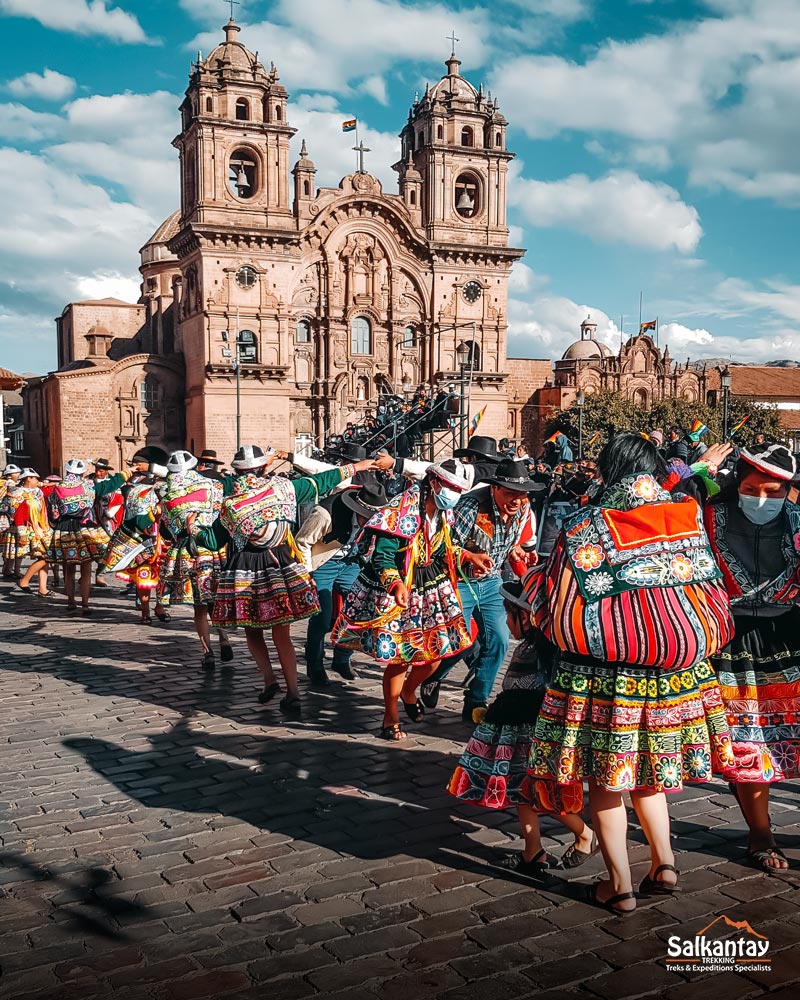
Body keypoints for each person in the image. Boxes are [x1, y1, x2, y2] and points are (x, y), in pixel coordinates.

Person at [526, 433, 736, 914]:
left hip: (602, 678)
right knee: (648, 776)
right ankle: (665, 864)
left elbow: (554, 599)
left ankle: (619, 886)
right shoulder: (684, 517)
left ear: (608, 471)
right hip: (672, 675)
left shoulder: (585, 525)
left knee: (605, 781)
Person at [211, 445, 377, 714]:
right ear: (265, 468)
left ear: (237, 471)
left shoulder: (230, 504)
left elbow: (213, 538)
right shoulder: (283, 488)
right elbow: (322, 480)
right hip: (280, 562)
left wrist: (191, 532)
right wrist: (358, 467)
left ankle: (268, 680)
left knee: (253, 629)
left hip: (246, 565)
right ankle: (293, 691)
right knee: (282, 632)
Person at [448, 581, 596, 877]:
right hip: (515, 728)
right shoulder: (533, 646)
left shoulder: (543, 651)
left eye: (508, 614)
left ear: (525, 616)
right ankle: (533, 850)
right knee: (520, 789)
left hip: (532, 729)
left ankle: (585, 835)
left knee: (542, 791)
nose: (505, 621)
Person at [333, 460, 485, 741]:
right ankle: (389, 715)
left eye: (458, 489)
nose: (454, 494)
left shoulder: (443, 512)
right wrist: (394, 582)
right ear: (435, 483)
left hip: (431, 586)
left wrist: (468, 556)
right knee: (401, 658)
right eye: (451, 487)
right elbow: (383, 555)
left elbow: (444, 548)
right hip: (402, 587)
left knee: (436, 653)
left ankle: (409, 690)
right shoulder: (401, 510)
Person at [705, 443, 800, 872]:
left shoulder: (798, 524)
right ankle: (760, 835)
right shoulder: (707, 517)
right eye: (751, 488)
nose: (762, 499)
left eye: (774, 491)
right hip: (732, 642)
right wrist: (690, 469)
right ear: (735, 484)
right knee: (749, 740)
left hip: (791, 635)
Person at [421, 459, 542, 722]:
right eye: (510, 493)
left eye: (521, 495)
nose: (517, 500)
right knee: (458, 642)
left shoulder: (522, 509)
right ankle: (432, 676)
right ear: (495, 488)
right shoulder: (470, 506)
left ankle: (475, 701)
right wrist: (469, 558)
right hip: (459, 582)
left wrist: (517, 552)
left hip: (491, 581)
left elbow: (505, 543)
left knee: (499, 640)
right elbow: (443, 548)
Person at [158, 450, 232, 668]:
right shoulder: (213, 487)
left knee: (199, 606)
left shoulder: (167, 498)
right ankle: (224, 639)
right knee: (215, 599)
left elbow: (166, 532)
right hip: (212, 549)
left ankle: (207, 652)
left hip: (186, 553)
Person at [46, 458, 130, 614]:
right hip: (85, 528)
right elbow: (108, 486)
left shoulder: (57, 488)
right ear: (82, 472)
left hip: (65, 528)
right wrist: (125, 474)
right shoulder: (89, 485)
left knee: (69, 569)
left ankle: (71, 601)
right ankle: (85, 603)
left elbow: (53, 514)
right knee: (86, 569)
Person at [103, 464, 170, 624]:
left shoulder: (156, 491)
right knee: (144, 578)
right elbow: (140, 521)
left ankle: (160, 606)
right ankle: (146, 610)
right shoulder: (141, 494)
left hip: (164, 541)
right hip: (143, 542)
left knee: (165, 577)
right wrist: (156, 512)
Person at [8, 469, 52, 595]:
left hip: (39, 527)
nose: (37, 481)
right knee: (46, 557)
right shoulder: (19, 494)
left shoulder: (36, 493)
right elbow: (18, 516)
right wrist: (22, 533)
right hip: (29, 529)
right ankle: (24, 580)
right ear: (28, 479)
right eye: (35, 478)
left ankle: (42, 588)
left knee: (44, 557)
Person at [91, 459, 124, 588]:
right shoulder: (90, 482)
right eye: (97, 470)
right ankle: (85, 573)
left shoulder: (114, 483)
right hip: (93, 518)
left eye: (101, 471)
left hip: (110, 520)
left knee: (107, 548)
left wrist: (110, 512)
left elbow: (118, 499)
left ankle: (100, 574)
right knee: (90, 546)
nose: (98, 473)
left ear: (106, 471)